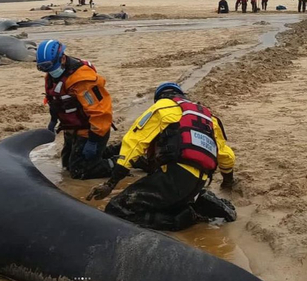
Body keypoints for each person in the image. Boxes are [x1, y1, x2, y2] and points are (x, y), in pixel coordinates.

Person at [87, 82, 237, 231]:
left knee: (117, 208)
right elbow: (226, 155)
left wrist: (111, 183)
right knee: (166, 201)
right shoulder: (209, 117)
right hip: (198, 181)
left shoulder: (162, 107)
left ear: (159, 98)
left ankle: (189, 216)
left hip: (174, 176)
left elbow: (134, 142)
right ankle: (199, 201)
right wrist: (227, 181)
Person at [37, 39, 114, 180]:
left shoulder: (82, 81)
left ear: (63, 59)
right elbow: (55, 100)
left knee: (80, 172)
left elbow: (100, 111)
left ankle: (121, 163)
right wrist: (53, 121)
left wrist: (94, 140)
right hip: (72, 129)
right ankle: (107, 153)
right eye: (43, 68)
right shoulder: (52, 76)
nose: (48, 71)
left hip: (91, 130)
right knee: (67, 166)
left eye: (49, 67)